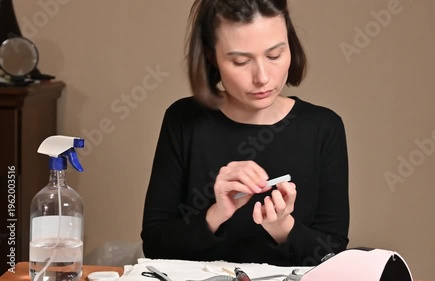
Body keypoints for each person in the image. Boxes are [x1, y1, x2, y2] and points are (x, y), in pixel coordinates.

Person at [141, 0, 349, 266]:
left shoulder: (323, 128)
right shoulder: (184, 121)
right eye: (240, 61)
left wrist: (282, 226)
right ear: (210, 56)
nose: (262, 77)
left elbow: (334, 256)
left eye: (274, 55)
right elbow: (155, 245)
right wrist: (216, 214)